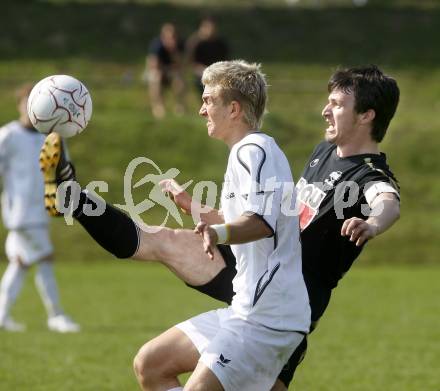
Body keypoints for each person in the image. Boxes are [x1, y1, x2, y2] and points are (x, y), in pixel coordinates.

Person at [40, 64, 400, 389]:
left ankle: (73, 198)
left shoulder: (368, 173)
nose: (325, 109)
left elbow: (386, 201)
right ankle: (72, 198)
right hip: (256, 277)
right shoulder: (321, 153)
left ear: (367, 115)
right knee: (152, 353)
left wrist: (372, 223)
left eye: (337, 103)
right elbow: (273, 216)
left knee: (164, 244)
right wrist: (197, 209)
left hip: (287, 298)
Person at [0, 83, 80, 333]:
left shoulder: (52, 138)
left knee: (21, 262)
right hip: (21, 213)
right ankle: (56, 315)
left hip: (42, 211)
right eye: (27, 102)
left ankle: (1, 315)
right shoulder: (9, 135)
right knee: (45, 258)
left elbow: (64, 172)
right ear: (20, 105)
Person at [144, 22, 186, 119]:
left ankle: (180, 106)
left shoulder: (179, 45)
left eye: (174, 36)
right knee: (156, 76)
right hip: (158, 72)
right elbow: (154, 65)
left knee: (179, 79)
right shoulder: (156, 45)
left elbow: (182, 65)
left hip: (171, 72)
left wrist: (173, 52)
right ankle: (158, 107)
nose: (172, 39)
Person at [186, 16, 229, 94]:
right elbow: (191, 64)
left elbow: (225, 62)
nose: (210, 30)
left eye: (213, 27)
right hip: (200, 74)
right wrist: (206, 70)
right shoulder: (195, 43)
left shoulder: (221, 44)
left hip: (217, 73)